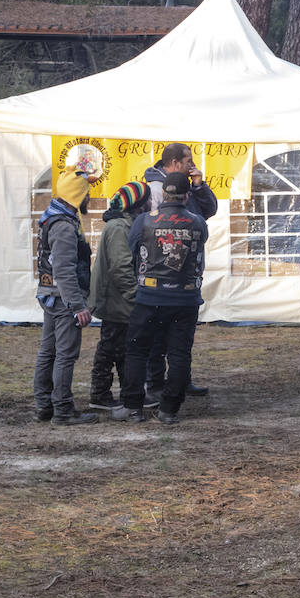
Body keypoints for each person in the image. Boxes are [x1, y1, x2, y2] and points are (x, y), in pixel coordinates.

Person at [114, 172, 208, 425]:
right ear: (186, 195)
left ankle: (133, 407)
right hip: (185, 298)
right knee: (178, 354)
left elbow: (132, 251)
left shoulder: (145, 220)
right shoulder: (198, 222)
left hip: (150, 296)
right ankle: (169, 410)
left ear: (163, 194)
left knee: (136, 350)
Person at [142, 143, 217, 400]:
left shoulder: (187, 186)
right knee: (158, 337)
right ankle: (155, 384)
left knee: (182, 337)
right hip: (160, 273)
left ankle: (181, 380)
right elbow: (144, 231)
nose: (191, 165)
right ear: (174, 163)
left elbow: (208, 211)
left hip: (186, 272)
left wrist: (199, 185)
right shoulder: (154, 189)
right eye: (188, 161)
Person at [33, 169, 97, 425]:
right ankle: (62, 410)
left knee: (48, 352)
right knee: (65, 355)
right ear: (77, 195)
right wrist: (77, 305)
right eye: (86, 192)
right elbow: (64, 268)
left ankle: (44, 406)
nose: (89, 197)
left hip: (51, 296)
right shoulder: (64, 226)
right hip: (63, 299)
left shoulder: (55, 217)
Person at [86, 181, 149, 412]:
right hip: (116, 300)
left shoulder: (122, 225)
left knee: (120, 347)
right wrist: (137, 297)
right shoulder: (119, 228)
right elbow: (121, 268)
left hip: (117, 299)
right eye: (148, 200)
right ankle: (100, 395)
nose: (152, 204)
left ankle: (128, 393)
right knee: (110, 348)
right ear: (138, 205)